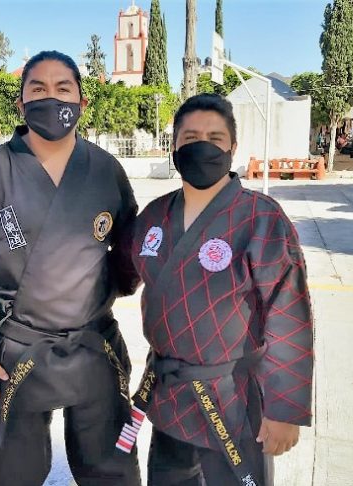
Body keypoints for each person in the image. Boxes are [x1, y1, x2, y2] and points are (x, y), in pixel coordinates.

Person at [0, 50, 142, 486]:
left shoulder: (106, 169)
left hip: (96, 345)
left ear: (82, 102)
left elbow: (128, 248)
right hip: (20, 347)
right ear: (21, 104)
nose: (51, 97)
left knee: (113, 467)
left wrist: (119, 285)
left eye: (63, 88)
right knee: (15, 471)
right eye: (38, 89)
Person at [117, 94, 314, 486]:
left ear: (232, 148)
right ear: (174, 147)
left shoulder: (260, 216)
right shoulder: (154, 216)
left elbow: (289, 314)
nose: (201, 146)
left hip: (232, 398)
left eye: (214, 138)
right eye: (190, 137)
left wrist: (285, 408)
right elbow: (120, 273)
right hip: (170, 395)